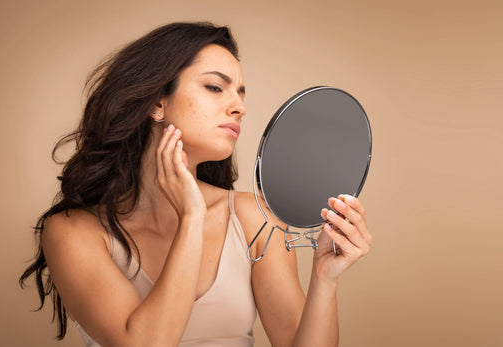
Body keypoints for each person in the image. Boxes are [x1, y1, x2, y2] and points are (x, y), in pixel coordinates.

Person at [20, 22, 372, 347]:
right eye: (215, 87)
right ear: (158, 102)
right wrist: (192, 218)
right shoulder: (73, 232)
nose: (239, 107)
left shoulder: (252, 217)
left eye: (241, 93)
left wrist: (325, 278)